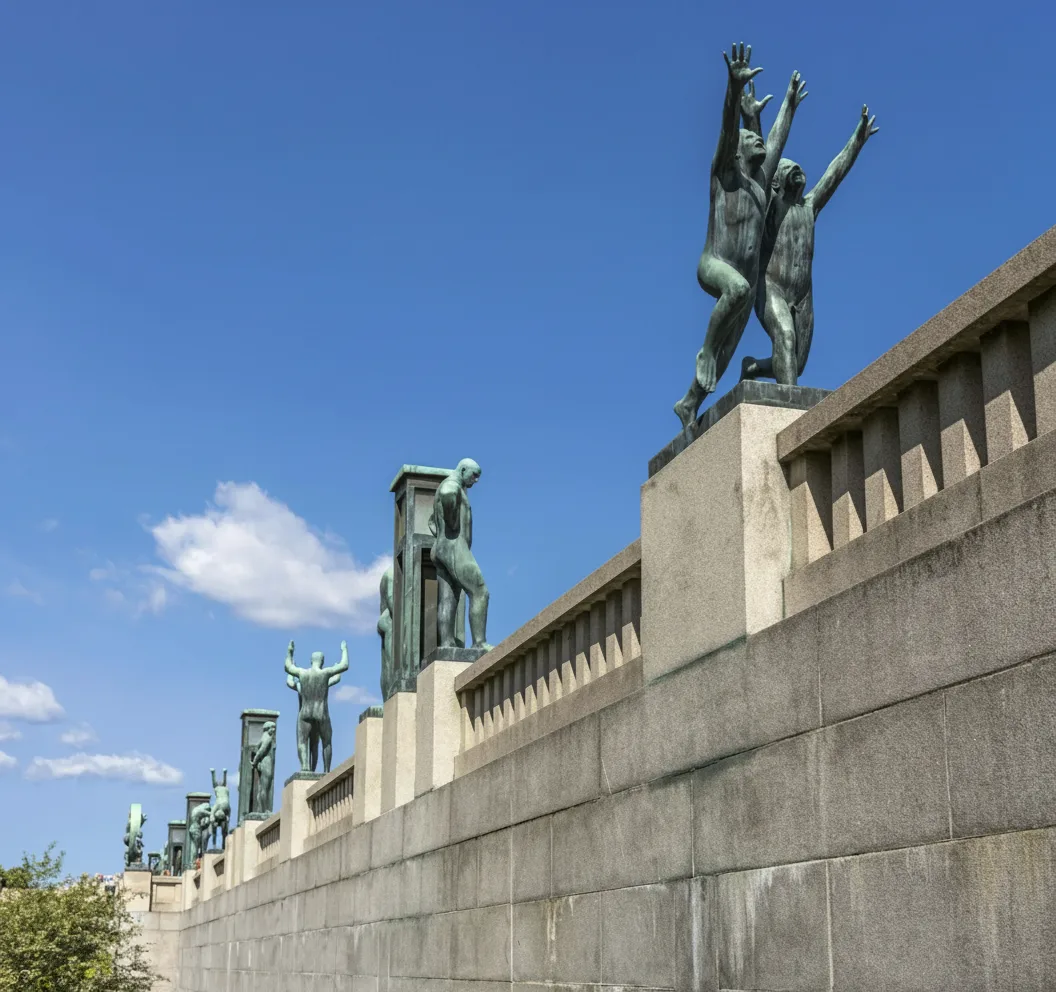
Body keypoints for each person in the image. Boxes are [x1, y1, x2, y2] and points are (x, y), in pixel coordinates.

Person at [673, 44, 806, 429]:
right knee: (737, 291)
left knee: (728, 352)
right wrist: (733, 89)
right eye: (750, 138)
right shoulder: (725, 174)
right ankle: (705, 350)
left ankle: (688, 403)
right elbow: (727, 127)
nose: (757, 139)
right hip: (715, 265)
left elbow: (776, 139)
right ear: (736, 150)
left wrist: (789, 105)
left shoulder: (760, 187)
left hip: (743, 282)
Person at [740, 104, 879, 384]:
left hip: (803, 294)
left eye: (798, 167)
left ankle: (753, 368)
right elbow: (762, 166)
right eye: (788, 167)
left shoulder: (809, 207)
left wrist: (858, 139)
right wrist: (752, 119)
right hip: (770, 287)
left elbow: (834, 173)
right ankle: (791, 411)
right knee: (785, 337)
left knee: (797, 362)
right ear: (775, 181)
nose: (797, 169)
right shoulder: (769, 206)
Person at [430, 459, 491, 651]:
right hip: (454, 547)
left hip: (440, 547)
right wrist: (452, 521)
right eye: (474, 475)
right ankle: (479, 643)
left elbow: (431, 522)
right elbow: (448, 494)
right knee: (480, 591)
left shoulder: (448, 486)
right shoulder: (452, 485)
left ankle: (447, 643)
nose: (476, 480)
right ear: (463, 470)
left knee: (449, 598)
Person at [284, 640, 348, 774]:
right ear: (322, 661)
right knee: (326, 741)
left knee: (302, 741)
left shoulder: (302, 674)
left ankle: (305, 767)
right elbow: (344, 665)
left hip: (305, 712)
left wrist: (290, 652)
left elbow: (288, 668)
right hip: (321, 712)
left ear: (310, 661)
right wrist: (344, 650)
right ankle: (326, 771)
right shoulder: (325, 673)